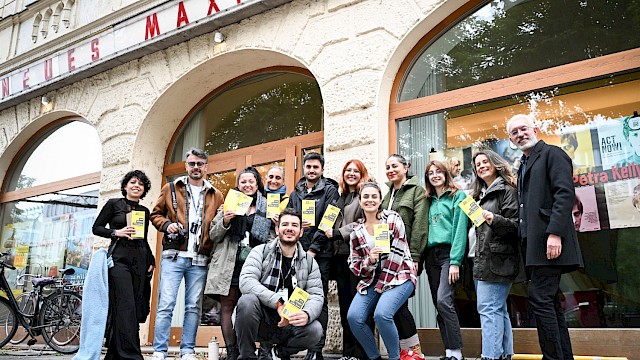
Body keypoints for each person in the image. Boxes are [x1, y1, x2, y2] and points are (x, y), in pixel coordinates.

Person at [506, 114, 583, 360]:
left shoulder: (553, 154)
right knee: (548, 301)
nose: (520, 134)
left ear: (535, 129)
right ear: (510, 138)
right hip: (533, 246)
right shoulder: (523, 164)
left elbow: (564, 194)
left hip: (550, 241)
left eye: (523, 129)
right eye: (514, 132)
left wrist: (555, 233)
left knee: (539, 298)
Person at [150, 148, 224, 360]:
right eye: (192, 163)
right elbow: (155, 214)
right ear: (186, 166)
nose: (196, 167)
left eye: (200, 164)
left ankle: (187, 351)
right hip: (174, 256)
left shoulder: (215, 194)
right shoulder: (171, 188)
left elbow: (218, 225)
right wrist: (167, 225)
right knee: (166, 304)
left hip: (200, 259)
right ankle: (159, 350)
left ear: (206, 167)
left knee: (193, 307)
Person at [235, 208, 324, 360]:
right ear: (277, 229)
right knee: (247, 301)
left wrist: (306, 314)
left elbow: (316, 295)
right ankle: (247, 356)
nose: (289, 228)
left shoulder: (310, 263)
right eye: (285, 224)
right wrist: (278, 301)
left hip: (289, 321)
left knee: (315, 329)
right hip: (261, 318)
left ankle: (277, 354)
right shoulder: (260, 251)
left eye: (295, 225)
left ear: (301, 232)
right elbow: (246, 282)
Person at [205, 167, 273, 360]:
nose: (247, 185)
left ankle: (260, 350)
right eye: (243, 182)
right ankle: (232, 351)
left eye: (251, 181)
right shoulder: (229, 204)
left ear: (257, 184)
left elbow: (272, 239)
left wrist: (276, 224)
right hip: (230, 264)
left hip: (257, 266)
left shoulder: (267, 206)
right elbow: (213, 234)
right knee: (228, 307)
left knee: (257, 306)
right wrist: (225, 220)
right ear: (238, 185)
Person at [347, 182, 417, 360]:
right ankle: (374, 357)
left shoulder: (392, 218)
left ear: (380, 200)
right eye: (366, 197)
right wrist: (369, 260)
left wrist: (383, 283)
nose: (370, 200)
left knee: (382, 315)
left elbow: (398, 253)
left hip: (400, 275)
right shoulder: (356, 231)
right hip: (372, 280)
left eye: (374, 197)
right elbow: (354, 265)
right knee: (354, 317)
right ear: (360, 200)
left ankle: (395, 357)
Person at [91, 170, 155, 360]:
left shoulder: (144, 211)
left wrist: (151, 260)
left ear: (144, 190)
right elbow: (96, 228)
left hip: (140, 260)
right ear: (125, 186)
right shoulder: (113, 204)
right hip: (119, 260)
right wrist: (116, 232)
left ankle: (117, 353)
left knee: (134, 306)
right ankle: (131, 355)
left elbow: (143, 239)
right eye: (133, 182)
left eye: (141, 184)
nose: (137, 186)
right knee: (124, 304)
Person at [469, 150, 524, 360]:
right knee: (498, 310)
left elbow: (515, 226)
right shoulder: (482, 193)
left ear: (495, 163)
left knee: (488, 309)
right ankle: (504, 354)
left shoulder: (506, 190)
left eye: (485, 162)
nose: (482, 166)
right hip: (485, 260)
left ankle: (490, 356)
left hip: (498, 260)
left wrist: (494, 218)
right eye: (478, 164)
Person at [286, 152, 339, 360]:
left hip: (321, 254)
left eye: (315, 167)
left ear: (322, 169)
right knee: (296, 296)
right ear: (304, 168)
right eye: (308, 166)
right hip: (297, 253)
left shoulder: (330, 190)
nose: (311, 170)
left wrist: (314, 249)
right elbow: (291, 219)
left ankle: (316, 350)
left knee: (319, 299)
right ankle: (290, 346)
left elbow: (329, 220)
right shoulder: (296, 192)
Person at [381, 154, 428, 360]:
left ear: (405, 167)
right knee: (396, 306)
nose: (391, 170)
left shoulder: (417, 191)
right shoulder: (387, 194)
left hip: (407, 257)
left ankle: (414, 351)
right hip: (387, 259)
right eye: (388, 167)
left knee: (399, 304)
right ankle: (406, 351)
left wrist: (416, 256)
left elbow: (419, 225)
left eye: (395, 166)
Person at [324, 159, 370, 360]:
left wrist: (337, 232)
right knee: (344, 307)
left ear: (362, 174)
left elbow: (364, 223)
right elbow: (327, 222)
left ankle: (362, 352)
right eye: (347, 171)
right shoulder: (339, 197)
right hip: (339, 258)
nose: (351, 174)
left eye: (355, 171)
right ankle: (348, 352)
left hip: (357, 258)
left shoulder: (364, 195)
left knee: (357, 307)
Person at [424, 160, 467, 360]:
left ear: (446, 173)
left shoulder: (458, 196)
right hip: (430, 257)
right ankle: (449, 351)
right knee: (438, 303)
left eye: (438, 171)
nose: (435, 175)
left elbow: (460, 231)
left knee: (444, 300)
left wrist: (455, 261)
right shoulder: (428, 200)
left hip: (449, 254)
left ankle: (457, 351)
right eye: (431, 173)